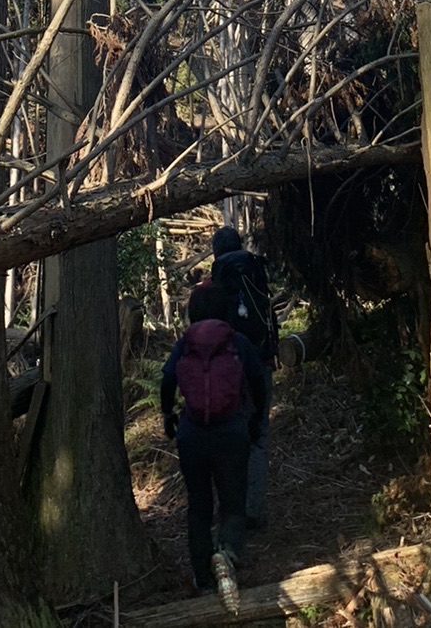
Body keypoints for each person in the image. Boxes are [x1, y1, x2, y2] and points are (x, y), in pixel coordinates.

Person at [161, 280, 268, 601]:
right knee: (233, 504)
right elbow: (258, 383)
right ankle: (228, 551)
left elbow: (167, 379)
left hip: (192, 435)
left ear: (192, 312)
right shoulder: (237, 342)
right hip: (231, 432)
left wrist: (168, 416)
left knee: (198, 506)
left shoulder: (184, 344)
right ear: (225, 311)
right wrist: (255, 420)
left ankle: (202, 578)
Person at [210, 225, 278, 524]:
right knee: (258, 437)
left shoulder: (217, 279)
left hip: (229, 371)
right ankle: (253, 509)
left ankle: (230, 509)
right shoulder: (255, 270)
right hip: (261, 364)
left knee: (228, 438)